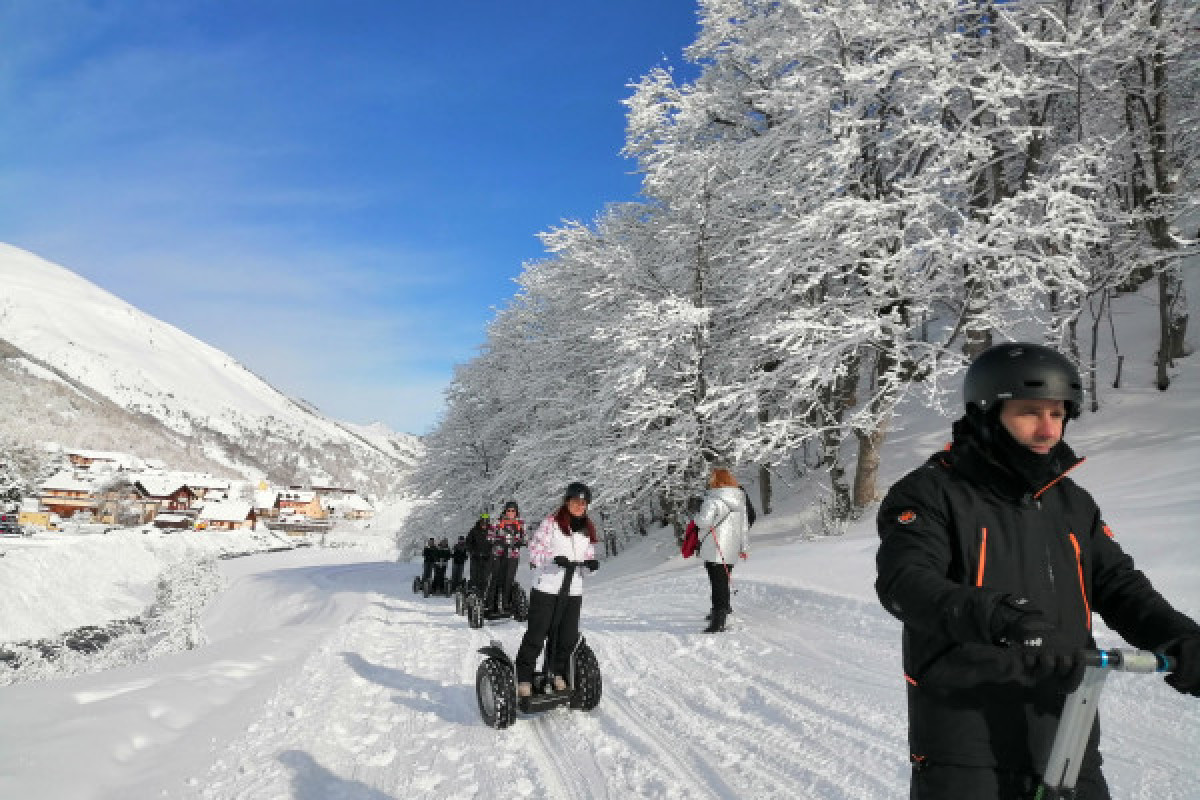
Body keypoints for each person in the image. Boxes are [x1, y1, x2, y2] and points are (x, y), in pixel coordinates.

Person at [875, 342, 1200, 799]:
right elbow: (906, 584)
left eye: (1057, 413)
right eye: (1029, 412)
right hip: (968, 740)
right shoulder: (930, 493)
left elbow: (1120, 587)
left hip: (1068, 729)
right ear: (987, 413)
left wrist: (1182, 638)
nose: (1048, 429)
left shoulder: (1072, 503)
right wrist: (1007, 619)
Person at [515, 482, 599, 698]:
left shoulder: (586, 530)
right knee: (537, 634)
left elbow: (586, 559)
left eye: (583, 503)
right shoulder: (551, 524)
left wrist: (590, 566)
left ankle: (556, 673)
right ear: (567, 502)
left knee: (567, 637)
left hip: (573, 590)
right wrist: (553, 559)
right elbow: (535, 552)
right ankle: (524, 677)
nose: (580, 506)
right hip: (547, 588)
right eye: (576, 502)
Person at [692, 468, 750, 633]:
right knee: (723, 580)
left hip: (714, 546)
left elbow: (703, 522)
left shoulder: (712, 500)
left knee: (717, 582)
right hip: (731, 547)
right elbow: (744, 527)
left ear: (716, 481)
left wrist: (696, 515)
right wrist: (744, 547)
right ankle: (723, 610)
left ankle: (718, 619)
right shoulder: (739, 500)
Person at [465, 514, 491, 592]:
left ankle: (483, 591)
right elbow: (468, 542)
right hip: (475, 556)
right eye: (483, 522)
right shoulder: (474, 530)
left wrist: (491, 552)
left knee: (485, 575)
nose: (484, 524)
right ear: (480, 521)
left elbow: (495, 543)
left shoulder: (491, 531)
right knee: (474, 574)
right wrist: (472, 551)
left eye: (486, 522)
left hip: (487, 557)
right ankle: (473, 590)